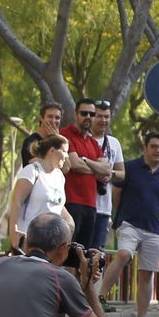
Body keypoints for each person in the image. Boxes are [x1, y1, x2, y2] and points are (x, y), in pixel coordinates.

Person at [102, 132, 159, 317]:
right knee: (123, 254)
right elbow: (116, 194)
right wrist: (123, 214)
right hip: (129, 224)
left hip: (153, 229)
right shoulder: (131, 168)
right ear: (145, 148)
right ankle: (101, 296)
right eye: (154, 146)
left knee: (147, 273)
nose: (157, 150)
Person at [61, 98, 113, 248]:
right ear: (76, 114)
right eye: (84, 113)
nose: (88, 117)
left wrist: (85, 160)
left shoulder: (92, 142)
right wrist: (95, 169)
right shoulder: (66, 135)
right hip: (71, 203)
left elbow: (106, 170)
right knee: (67, 251)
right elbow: (74, 164)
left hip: (91, 205)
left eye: (92, 114)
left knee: (83, 254)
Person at [8, 134, 72, 249]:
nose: (67, 156)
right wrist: (13, 230)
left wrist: (69, 223)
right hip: (29, 241)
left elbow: (57, 204)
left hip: (52, 243)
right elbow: (17, 202)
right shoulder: (32, 171)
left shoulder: (60, 177)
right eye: (64, 151)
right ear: (52, 150)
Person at [87, 100, 124, 252]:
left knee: (97, 254)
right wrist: (95, 172)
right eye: (99, 116)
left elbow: (122, 174)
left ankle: (95, 277)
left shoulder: (114, 143)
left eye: (107, 117)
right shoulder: (83, 139)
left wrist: (110, 174)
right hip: (83, 204)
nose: (103, 120)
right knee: (78, 252)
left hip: (103, 209)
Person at [18, 103, 62, 168]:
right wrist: (53, 140)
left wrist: (57, 140)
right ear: (41, 118)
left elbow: (66, 168)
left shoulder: (61, 141)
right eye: (50, 116)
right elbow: (40, 166)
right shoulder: (30, 141)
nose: (53, 121)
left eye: (57, 118)